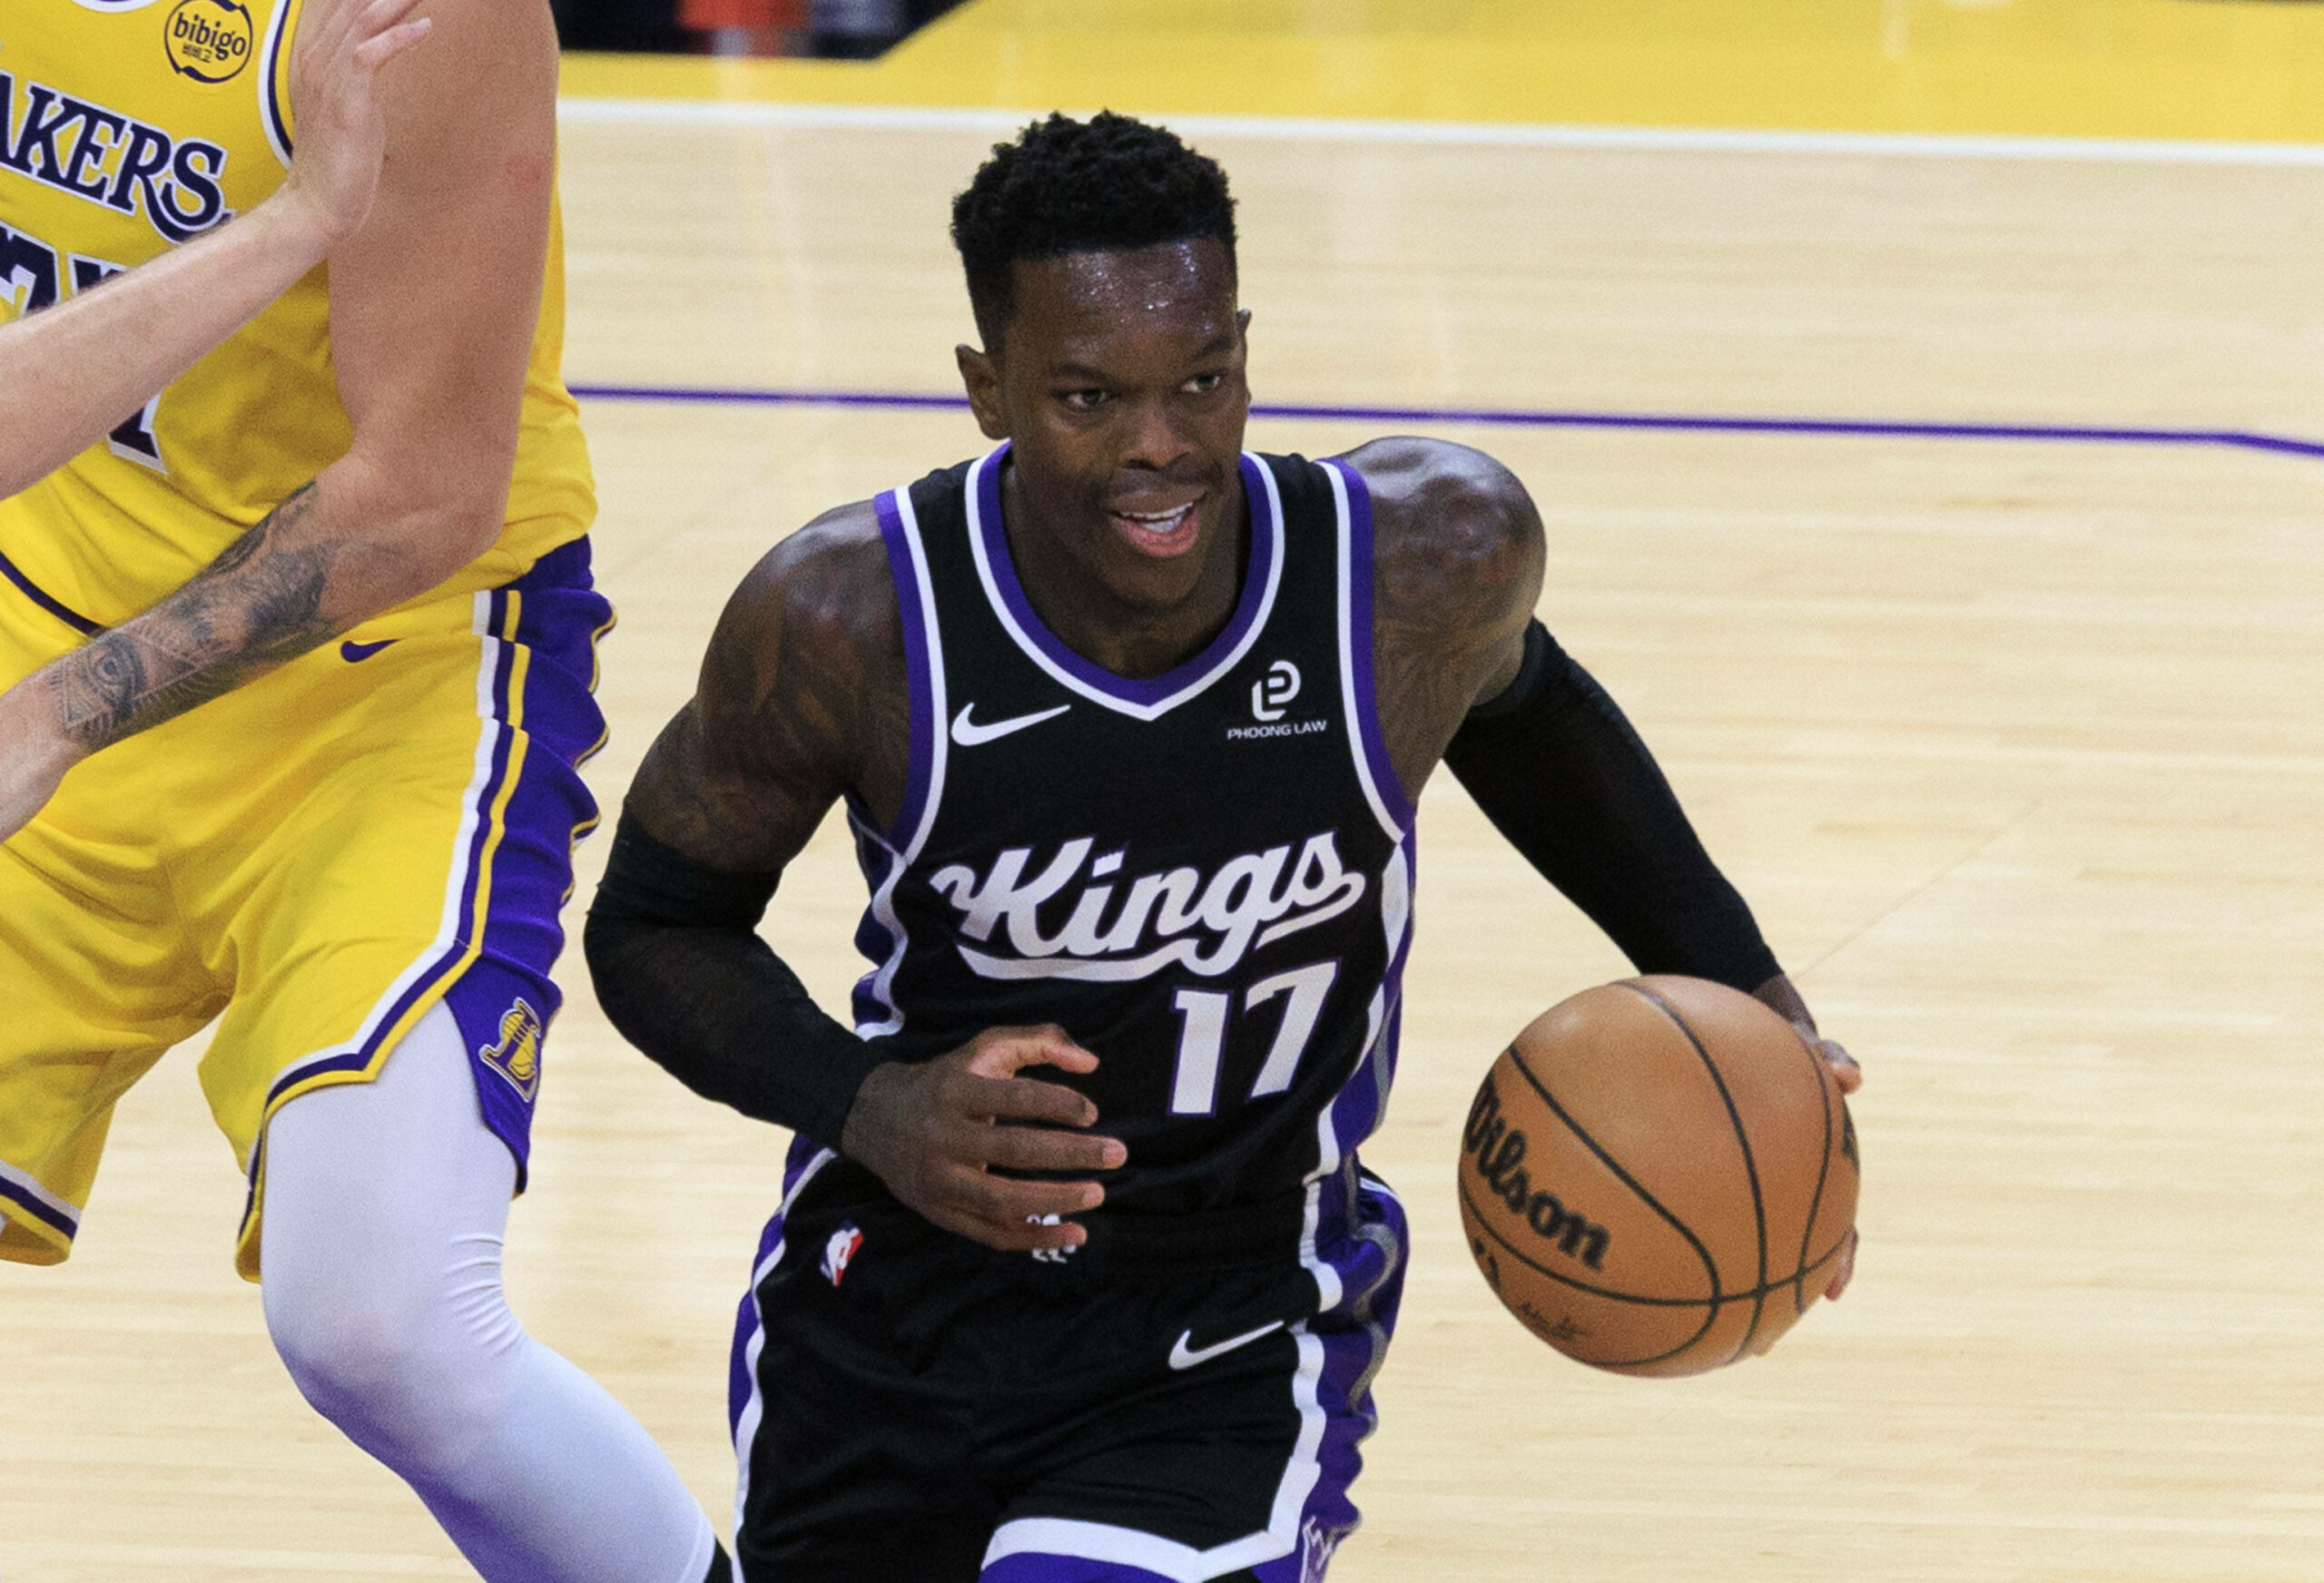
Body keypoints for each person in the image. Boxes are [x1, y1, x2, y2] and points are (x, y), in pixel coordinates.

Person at [588, 112, 1860, 1582]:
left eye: (1203, 380)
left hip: (1236, 1303)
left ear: (1246, 345)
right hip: (905, 1290)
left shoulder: (1420, 565)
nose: (1161, 447)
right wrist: (867, 1103)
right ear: (987, 391)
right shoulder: (851, 620)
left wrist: (1748, 995)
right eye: (1086, 396)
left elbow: (1529, 711)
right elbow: (653, 925)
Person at [0, 2, 729, 1578]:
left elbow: (424, 491)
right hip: (38, 601)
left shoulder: (419, 14)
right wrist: (288, 227)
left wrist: (61, 716)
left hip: (379, 673)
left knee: (385, 1328)